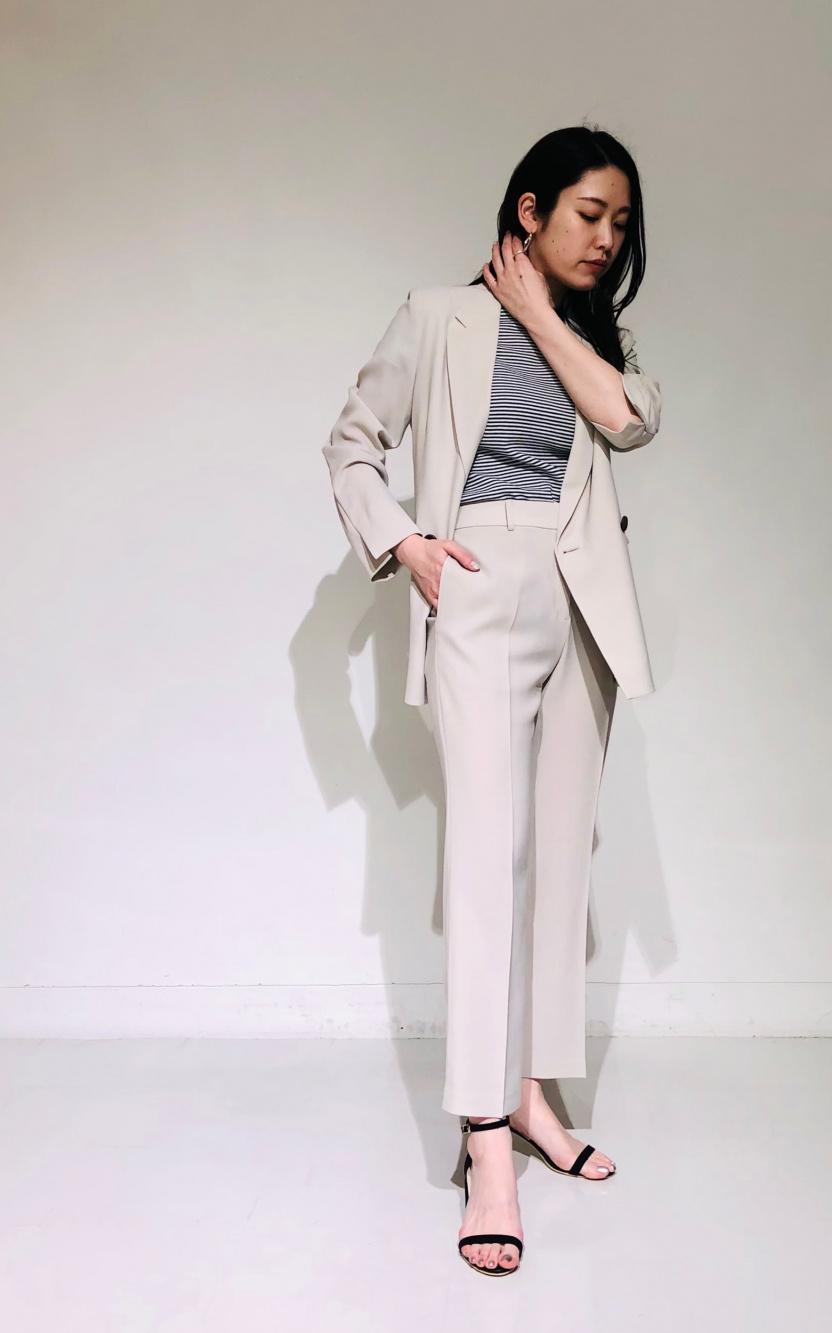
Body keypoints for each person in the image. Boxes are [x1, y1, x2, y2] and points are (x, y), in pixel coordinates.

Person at [323, 125, 663, 1276]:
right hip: (474, 581)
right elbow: (352, 442)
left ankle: (530, 1090)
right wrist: (403, 544)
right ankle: (482, 1136)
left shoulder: (597, 341)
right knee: (486, 858)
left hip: (580, 598)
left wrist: (541, 318)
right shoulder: (433, 317)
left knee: (559, 860)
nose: (606, 238)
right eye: (588, 214)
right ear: (528, 210)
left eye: (620, 223)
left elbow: (629, 420)